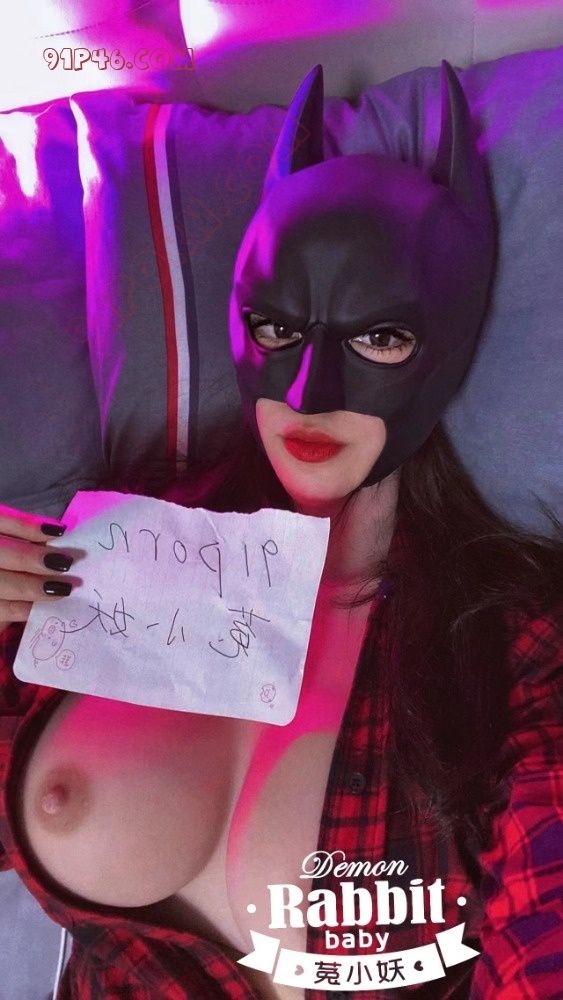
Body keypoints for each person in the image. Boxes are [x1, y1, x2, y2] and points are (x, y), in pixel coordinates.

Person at [0, 61, 561, 1000]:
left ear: (449, 338)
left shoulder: (514, 648)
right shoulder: (109, 554)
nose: (308, 391)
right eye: (275, 329)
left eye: (378, 338)